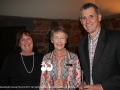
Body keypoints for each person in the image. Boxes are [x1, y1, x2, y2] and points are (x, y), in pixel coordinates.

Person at [78, 2, 120, 90]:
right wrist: (83, 83)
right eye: (84, 18)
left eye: (91, 16)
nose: (87, 21)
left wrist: (101, 87)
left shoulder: (116, 38)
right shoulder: (81, 44)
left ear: (99, 17)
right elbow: (86, 71)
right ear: (81, 21)